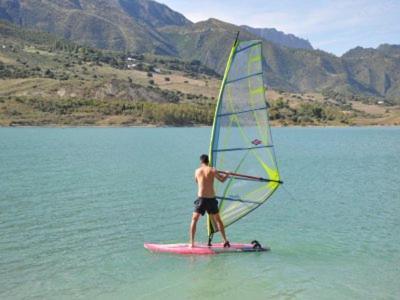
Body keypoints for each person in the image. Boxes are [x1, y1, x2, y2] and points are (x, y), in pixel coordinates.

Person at [190, 154, 230, 248]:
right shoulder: (213, 170)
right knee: (218, 220)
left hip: (201, 199)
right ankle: (225, 240)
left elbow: (197, 181)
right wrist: (227, 174)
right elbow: (222, 180)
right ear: (208, 161)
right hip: (211, 199)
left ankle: (191, 243)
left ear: (201, 162)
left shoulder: (197, 171)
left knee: (194, 220)